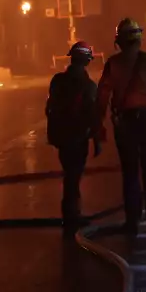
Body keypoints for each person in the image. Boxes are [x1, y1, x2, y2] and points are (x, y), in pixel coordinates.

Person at [96, 18, 146, 235]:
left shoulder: (113, 65)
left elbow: (102, 98)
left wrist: (98, 125)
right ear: (139, 38)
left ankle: (132, 222)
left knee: (130, 172)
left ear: (119, 41)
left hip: (125, 123)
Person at [46, 41, 102, 236]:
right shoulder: (88, 86)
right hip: (78, 137)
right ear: (87, 60)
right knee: (74, 176)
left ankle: (70, 214)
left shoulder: (57, 81)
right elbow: (92, 115)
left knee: (69, 174)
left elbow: (49, 109)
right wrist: (96, 140)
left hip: (62, 136)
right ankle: (72, 216)